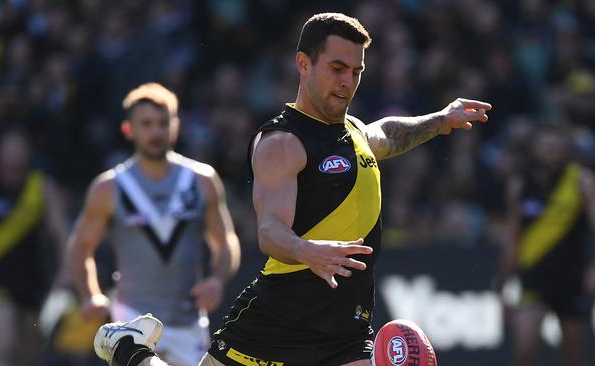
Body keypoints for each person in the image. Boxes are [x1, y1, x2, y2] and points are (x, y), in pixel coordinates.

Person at [92, 12, 491, 366]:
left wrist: (441, 119)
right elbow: (269, 230)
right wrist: (308, 251)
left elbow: (386, 133)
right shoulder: (282, 142)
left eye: (356, 71)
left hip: (345, 330)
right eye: (337, 68)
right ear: (304, 63)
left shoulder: (354, 134)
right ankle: (131, 348)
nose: (347, 81)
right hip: (279, 318)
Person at [69, 82, 241, 366]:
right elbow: (80, 247)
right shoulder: (109, 187)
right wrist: (90, 295)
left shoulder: (202, 180)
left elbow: (226, 242)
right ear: (128, 130)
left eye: (163, 123)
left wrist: (217, 279)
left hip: (189, 325)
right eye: (146, 124)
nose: (156, 131)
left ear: (177, 125)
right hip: (130, 323)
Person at [0, 130, 69, 366]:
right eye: (9, 151)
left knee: (29, 355)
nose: (14, 158)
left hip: (34, 281)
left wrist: (64, 274)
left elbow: (61, 234)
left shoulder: (41, 188)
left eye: (19, 151)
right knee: (4, 348)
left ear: (27, 155)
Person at [496, 126, 595, 366]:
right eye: (545, 146)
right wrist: (503, 282)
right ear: (534, 149)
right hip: (533, 276)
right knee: (525, 350)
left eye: (555, 146)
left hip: (572, 276)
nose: (550, 151)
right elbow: (513, 238)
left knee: (572, 355)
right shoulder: (519, 185)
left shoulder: (582, 181)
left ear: (564, 149)